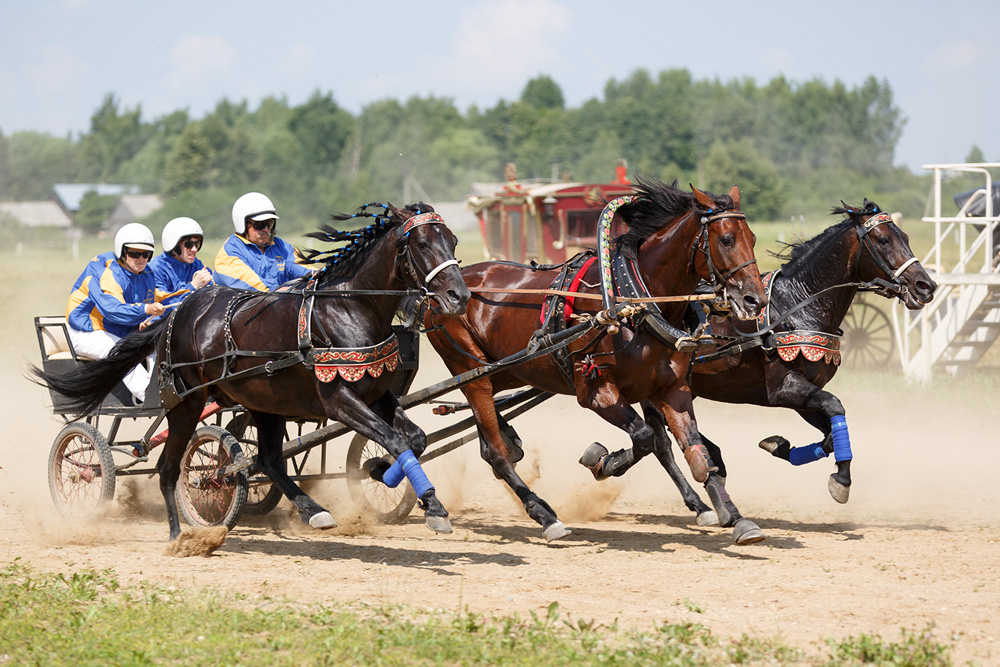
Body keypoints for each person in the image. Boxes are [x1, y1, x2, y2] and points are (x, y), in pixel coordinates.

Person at [66, 223, 165, 402]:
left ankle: (165, 389)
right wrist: (145, 310)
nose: (141, 258)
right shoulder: (105, 271)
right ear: (122, 251)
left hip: (119, 331)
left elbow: (154, 304)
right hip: (86, 331)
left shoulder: (147, 274)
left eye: (146, 254)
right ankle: (150, 396)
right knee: (122, 352)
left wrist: (147, 319)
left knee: (160, 342)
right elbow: (112, 310)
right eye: (135, 253)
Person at [214, 192, 312, 291]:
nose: (266, 229)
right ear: (242, 224)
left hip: (276, 303)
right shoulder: (230, 251)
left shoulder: (282, 247)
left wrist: (321, 276)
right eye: (260, 224)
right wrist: (278, 290)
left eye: (269, 224)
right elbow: (249, 281)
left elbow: (303, 268)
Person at [149, 216, 214, 307]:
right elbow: (164, 307)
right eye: (189, 245)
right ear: (173, 245)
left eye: (197, 244)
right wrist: (193, 286)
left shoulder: (196, 265)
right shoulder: (155, 269)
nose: (194, 249)